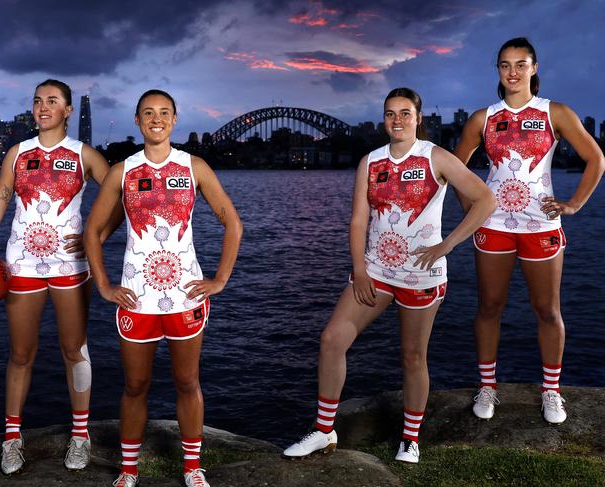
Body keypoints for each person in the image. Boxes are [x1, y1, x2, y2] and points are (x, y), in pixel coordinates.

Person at [282, 87, 496, 464]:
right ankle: (324, 431)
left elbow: (485, 199)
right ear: (384, 119)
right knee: (332, 339)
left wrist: (447, 246)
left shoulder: (436, 157)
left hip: (420, 276)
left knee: (413, 357)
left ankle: (410, 440)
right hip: (376, 271)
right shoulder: (371, 161)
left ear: (418, 118)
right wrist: (359, 269)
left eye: (405, 113)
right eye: (390, 114)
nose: (397, 120)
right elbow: (358, 220)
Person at [84, 89, 243, 487]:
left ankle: (192, 468)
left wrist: (220, 279)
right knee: (136, 385)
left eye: (164, 113)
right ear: (137, 121)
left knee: (188, 382)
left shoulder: (195, 167)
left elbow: (233, 224)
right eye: (148, 113)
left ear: (174, 120)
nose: (156, 119)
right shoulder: (123, 171)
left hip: (186, 296)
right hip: (137, 298)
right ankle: (129, 470)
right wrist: (104, 285)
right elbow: (92, 231)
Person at [0, 79, 111, 474]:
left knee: (74, 349)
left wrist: (96, 237)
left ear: (68, 110)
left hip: (70, 267)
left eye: (53, 101)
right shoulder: (17, 153)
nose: (43, 107)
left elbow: (121, 199)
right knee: (21, 353)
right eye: (38, 101)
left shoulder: (85, 155)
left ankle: (81, 435)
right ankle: (12, 439)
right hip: (22, 264)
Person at [454, 37, 605, 423]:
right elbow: (456, 170)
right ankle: (487, 386)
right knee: (489, 307)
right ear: (498, 71)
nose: (513, 72)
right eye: (505, 65)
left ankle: (551, 391)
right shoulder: (483, 118)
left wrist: (573, 204)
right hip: (495, 226)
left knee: (547, 309)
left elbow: (596, 159)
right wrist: (471, 210)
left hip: (541, 225)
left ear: (534, 69)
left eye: (521, 64)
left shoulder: (555, 112)